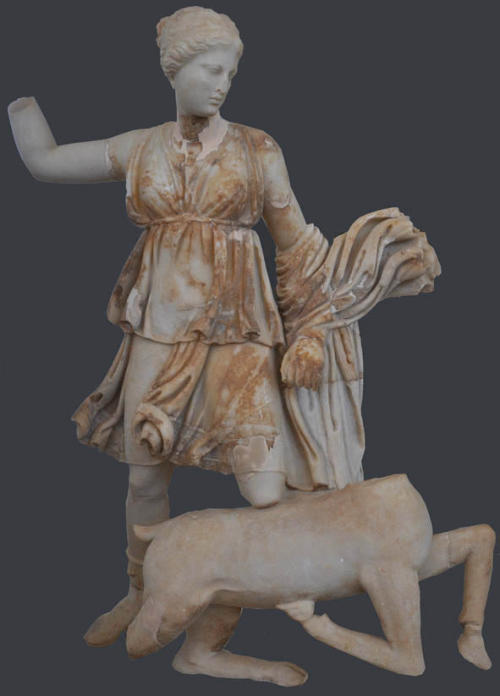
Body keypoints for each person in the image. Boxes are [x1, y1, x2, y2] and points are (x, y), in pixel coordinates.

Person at [8, 6, 440, 648]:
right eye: (211, 70)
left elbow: (296, 247)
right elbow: (44, 161)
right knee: (144, 474)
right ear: (175, 70)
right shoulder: (140, 147)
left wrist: (313, 329)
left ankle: (282, 585)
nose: (221, 84)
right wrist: (18, 103)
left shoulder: (257, 149)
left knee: (265, 486)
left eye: (230, 73)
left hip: (239, 333)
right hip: (159, 330)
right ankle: (141, 589)